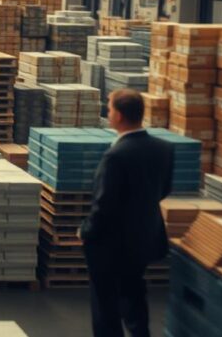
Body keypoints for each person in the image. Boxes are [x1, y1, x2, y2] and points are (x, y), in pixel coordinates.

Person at [79, 88, 174, 337]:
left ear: (118, 116)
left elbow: (104, 205)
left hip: (111, 244)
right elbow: (163, 190)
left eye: (109, 109)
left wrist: (85, 231)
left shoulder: (116, 156)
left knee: (105, 305)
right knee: (134, 294)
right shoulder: (163, 149)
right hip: (144, 238)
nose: (108, 113)